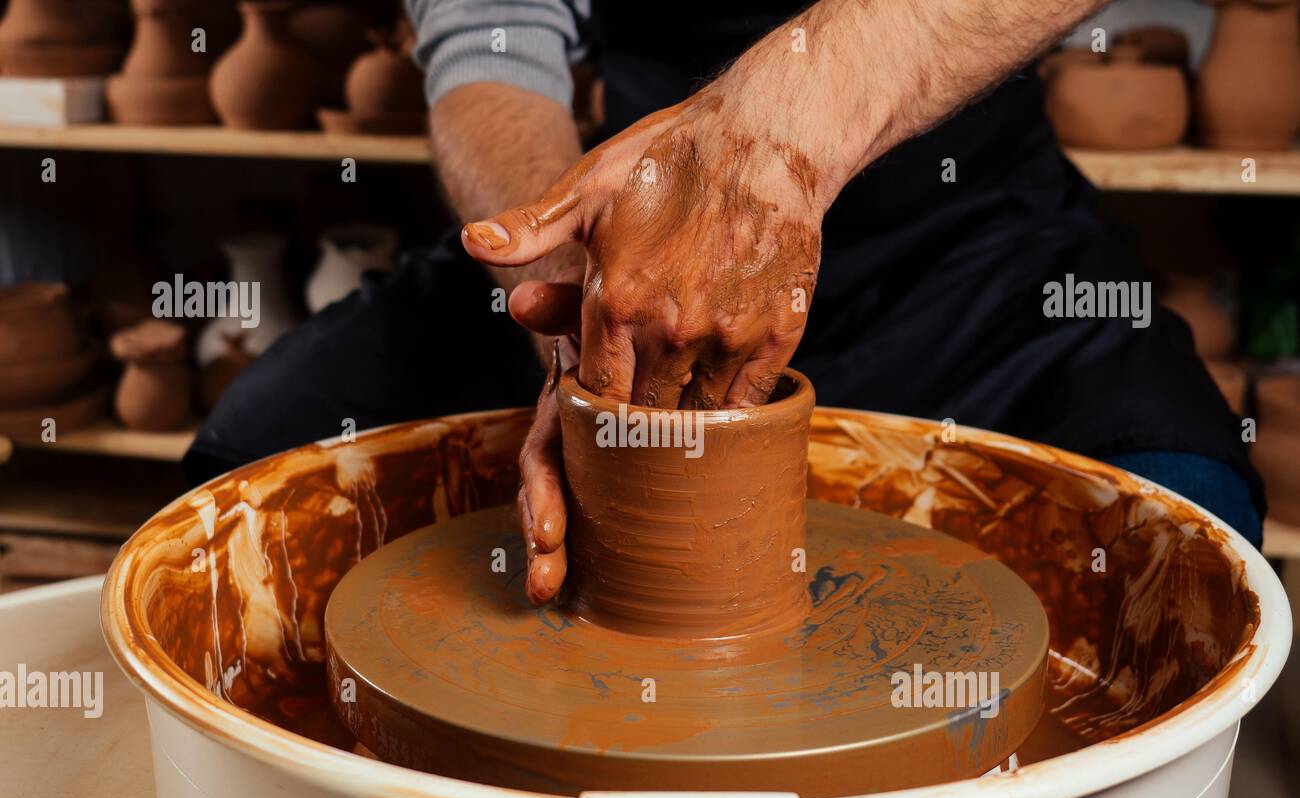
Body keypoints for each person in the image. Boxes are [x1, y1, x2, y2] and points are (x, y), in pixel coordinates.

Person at [185, 0, 1264, 606]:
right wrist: (573, 305)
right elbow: (493, 49)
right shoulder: (600, 280)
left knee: (1177, 520)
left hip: (960, 240)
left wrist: (783, 129)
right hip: (632, 246)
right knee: (247, 474)